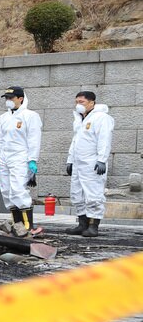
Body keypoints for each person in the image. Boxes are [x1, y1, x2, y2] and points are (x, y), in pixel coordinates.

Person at [0, 86, 42, 236]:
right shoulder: (4, 117)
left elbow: (34, 139)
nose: (8, 101)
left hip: (20, 157)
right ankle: (17, 224)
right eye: (6, 98)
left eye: (11, 98)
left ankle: (28, 225)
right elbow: (0, 140)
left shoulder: (30, 116)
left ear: (20, 99)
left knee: (18, 190)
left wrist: (32, 160)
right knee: (6, 190)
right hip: (5, 158)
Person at [65, 91, 114, 237]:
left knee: (93, 194)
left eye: (82, 102)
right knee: (77, 194)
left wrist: (101, 159)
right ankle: (82, 224)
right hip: (78, 164)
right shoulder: (80, 119)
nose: (78, 105)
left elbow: (104, 139)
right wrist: (70, 160)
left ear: (92, 103)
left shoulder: (101, 118)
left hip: (92, 164)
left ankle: (93, 226)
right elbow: (75, 142)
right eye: (77, 102)